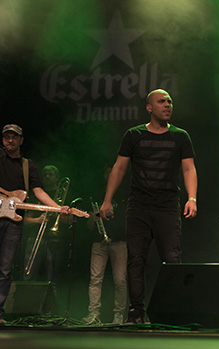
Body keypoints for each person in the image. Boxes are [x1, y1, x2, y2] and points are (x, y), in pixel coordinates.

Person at [0, 77, 69, 326]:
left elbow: (38, 191)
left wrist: (58, 208)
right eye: (6, 137)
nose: (9, 140)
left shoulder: (28, 166)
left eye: (14, 137)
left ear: (21, 140)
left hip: (13, 224)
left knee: (5, 269)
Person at [99, 89, 198, 324]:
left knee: (172, 260)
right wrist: (107, 199)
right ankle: (136, 312)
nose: (167, 105)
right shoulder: (134, 135)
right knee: (136, 260)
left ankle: (172, 312)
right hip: (139, 207)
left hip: (167, 208)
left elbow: (188, 169)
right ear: (149, 108)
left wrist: (192, 198)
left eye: (170, 101)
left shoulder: (180, 136)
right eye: (161, 101)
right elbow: (119, 168)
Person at [83, 165, 128, 325]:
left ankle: (119, 315)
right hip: (99, 242)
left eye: (112, 172)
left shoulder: (124, 195)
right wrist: (92, 219)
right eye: (107, 172)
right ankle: (93, 314)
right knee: (95, 279)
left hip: (119, 241)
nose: (110, 175)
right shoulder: (97, 195)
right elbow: (89, 225)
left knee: (120, 280)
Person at [23, 165, 70, 285]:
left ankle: (52, 296)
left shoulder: (64, 195)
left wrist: (56, 214)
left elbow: (70, 221)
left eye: (50, 174)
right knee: (29, 274)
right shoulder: (34, 195)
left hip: (55, 239)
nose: (47, 177)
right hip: (35, 237)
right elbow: (25, 221)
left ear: (57, 177)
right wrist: (38, 220)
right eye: (44, 174)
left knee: (53, 276)